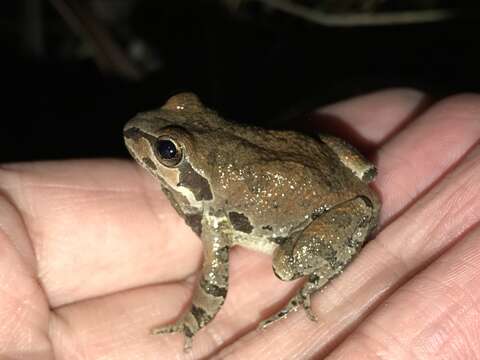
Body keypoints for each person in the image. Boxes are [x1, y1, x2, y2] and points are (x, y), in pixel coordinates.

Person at [1, 88, 479, 359]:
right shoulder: (205, 182)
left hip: (326, 210)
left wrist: (193, 320)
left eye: (167, 152)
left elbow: (216, 279)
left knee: (288, 265)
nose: (145, 142)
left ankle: (315, 281)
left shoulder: (214, 218)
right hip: (329, 164)